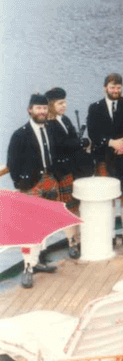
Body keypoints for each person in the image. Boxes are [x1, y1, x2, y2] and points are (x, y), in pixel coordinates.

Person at [7, 94, 61, 288]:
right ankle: (27, 268)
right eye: (38, 108)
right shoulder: (20, 134)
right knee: (29, 228)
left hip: (49, 180)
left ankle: (37, 262)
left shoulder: (50, 129)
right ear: (30, 110)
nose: (42, 112)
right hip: (30, 184)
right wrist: (22, 184)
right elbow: (13, 164)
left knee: (44, 225)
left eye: (44, 108)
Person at [86, 73, 123, 248]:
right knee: (108, 198)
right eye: (112, 87)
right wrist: (112, 143)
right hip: (104, 158)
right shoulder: (95, 108)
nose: (115, 91)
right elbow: (93, 134)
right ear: (105, 88)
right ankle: (109, 235)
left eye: (118, 87)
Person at [46, 87, 92, 258]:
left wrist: (79, 143)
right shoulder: (49, 124)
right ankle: (71, 242)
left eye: (64, 102)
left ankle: (78, 239)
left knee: (76, 207)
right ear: (51, 104)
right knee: (68, 209)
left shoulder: (64, 120)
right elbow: (61, 145)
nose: (64, 106)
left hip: (73, 169)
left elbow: (72, 139)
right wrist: (80, 143)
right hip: (61, 171)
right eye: (60, 103)